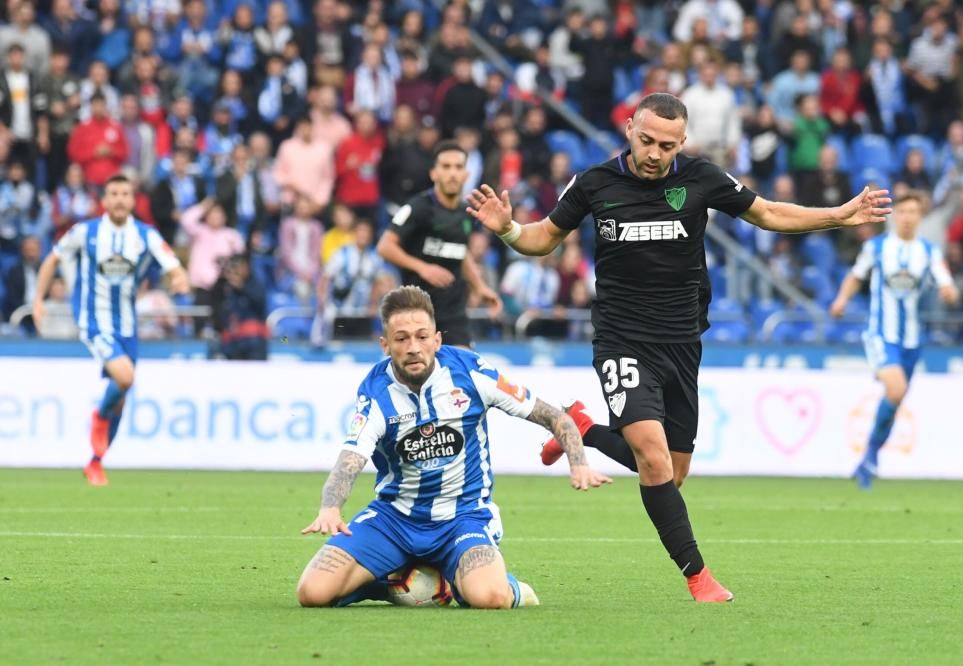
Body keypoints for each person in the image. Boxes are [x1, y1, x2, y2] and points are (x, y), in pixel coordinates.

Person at [466, 92, 891, 602]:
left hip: (682, 342)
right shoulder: (595, 183)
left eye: (666, 145)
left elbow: (769, 213)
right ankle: (698, 577)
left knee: (673, 471)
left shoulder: (701, 178)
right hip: (622, 340)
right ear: (629, 129)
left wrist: (839, 216)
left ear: (681, 142)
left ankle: (580, 425)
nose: (654, 153)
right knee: (652, 458)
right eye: (646, 140)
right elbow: (543, 239)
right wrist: (509, 228)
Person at [296, 286, 610, 609]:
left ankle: (504, 587)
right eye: (402, 339)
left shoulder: (471, 373)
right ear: (385, 345)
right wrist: (331, 507)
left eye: (422, 336)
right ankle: (392, 585)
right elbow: (350, 459)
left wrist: (579, 462)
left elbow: (555, 416)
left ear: (437, 339)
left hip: (463, 518)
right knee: (312, 593)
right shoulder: (376, 392)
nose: (413, 347)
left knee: (490, 598)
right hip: (394, 519)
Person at [31, 174, 190, 486]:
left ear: (133, 200)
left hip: (127, 326)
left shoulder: (145, 235)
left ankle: (96, 461)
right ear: (104, 200)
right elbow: (52, 260)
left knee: (121, 395)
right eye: (113, 193)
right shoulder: (86, 232)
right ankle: (99, 418)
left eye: (125, 194)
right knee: (125, 377)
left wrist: (179, 277)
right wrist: (38, 299)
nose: (119, 199)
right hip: (94, 321)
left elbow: (172, 263)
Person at [830, 191, 958, 489]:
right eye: (902, 211)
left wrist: (949, 292)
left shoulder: (928, 251)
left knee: (896, 398)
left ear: (920, 216)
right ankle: (872, 456)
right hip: (881, 333)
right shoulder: (876, 247)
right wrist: (841, 300)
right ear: (894, 215)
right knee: (897, 388)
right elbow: (856, 276)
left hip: (913, 340)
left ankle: (867, 460)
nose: (907, 217)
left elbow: (946, 280)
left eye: (913, 212)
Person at [377, 141, 501, 347]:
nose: (452, 173)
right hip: (417, 313)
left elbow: (460, 253)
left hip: (454, 314)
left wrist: (480, 287)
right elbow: (385, 246)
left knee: (461, 373)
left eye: (458, 167)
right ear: (434, 173)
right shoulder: (418, 208)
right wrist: (423, 267)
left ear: (466, 175)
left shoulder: (466, 213)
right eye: (446, 167)